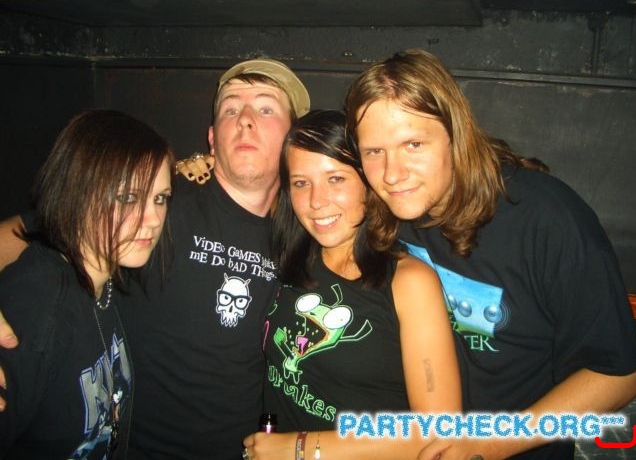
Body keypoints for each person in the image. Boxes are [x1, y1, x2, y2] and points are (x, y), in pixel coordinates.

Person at [0, 58, 311, 459]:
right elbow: (40, 229)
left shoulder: (305, 227)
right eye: (231, 109)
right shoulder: (158, 200)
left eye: (266, 108)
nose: (246, 119)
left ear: (292, 143)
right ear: (212, 138)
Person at [343, 48, 636, 459]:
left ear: (457, 135)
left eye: (413, 144)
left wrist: (489, 443)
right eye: (374, 152)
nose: (392, 174)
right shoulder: (382, 210)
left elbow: (619, 375)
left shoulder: (548, 219)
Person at [241, 110, 461, 460]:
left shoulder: (409, 282)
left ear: (367, 182)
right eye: (301, 183)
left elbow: (438, 433)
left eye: (336, 179)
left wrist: (299, 448)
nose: (317, 201)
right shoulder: (294, 257)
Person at [0, 109, 174, 459]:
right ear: (78, 192)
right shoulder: (38, 302)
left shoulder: (104, 282)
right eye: (128, 198)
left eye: (160, 198)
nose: (153, 218)